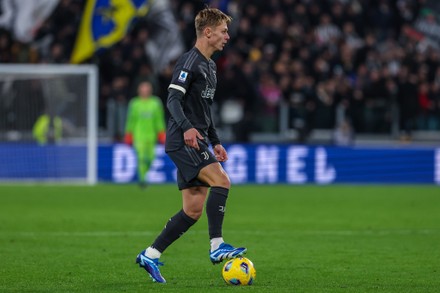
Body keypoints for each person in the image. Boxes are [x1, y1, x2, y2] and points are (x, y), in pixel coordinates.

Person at [135, 7, 246, 283]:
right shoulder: (189, 61)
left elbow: (204, 112)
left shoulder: (209, 66)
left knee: (193, 210)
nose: (227, 37)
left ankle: (150, 254)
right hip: (183, 140)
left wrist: (216, 141)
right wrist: (187, 129)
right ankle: (217, 245)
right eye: (223, 31)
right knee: (222, 181)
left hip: (196, 138)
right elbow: (172, 99)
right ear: (207, 32)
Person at [124, 81, 166, 188]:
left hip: (151, 135)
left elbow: (159, 119)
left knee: (151, 158)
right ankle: (142, 181)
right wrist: (128, 134)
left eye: (147, 88)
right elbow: (131, 120)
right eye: (143, 88)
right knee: (141, 158)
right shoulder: (134, 103)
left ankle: (144, 175)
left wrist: (162, 133)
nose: (145, 91)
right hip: (138, 135)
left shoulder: (156, 103)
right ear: (139, 90)